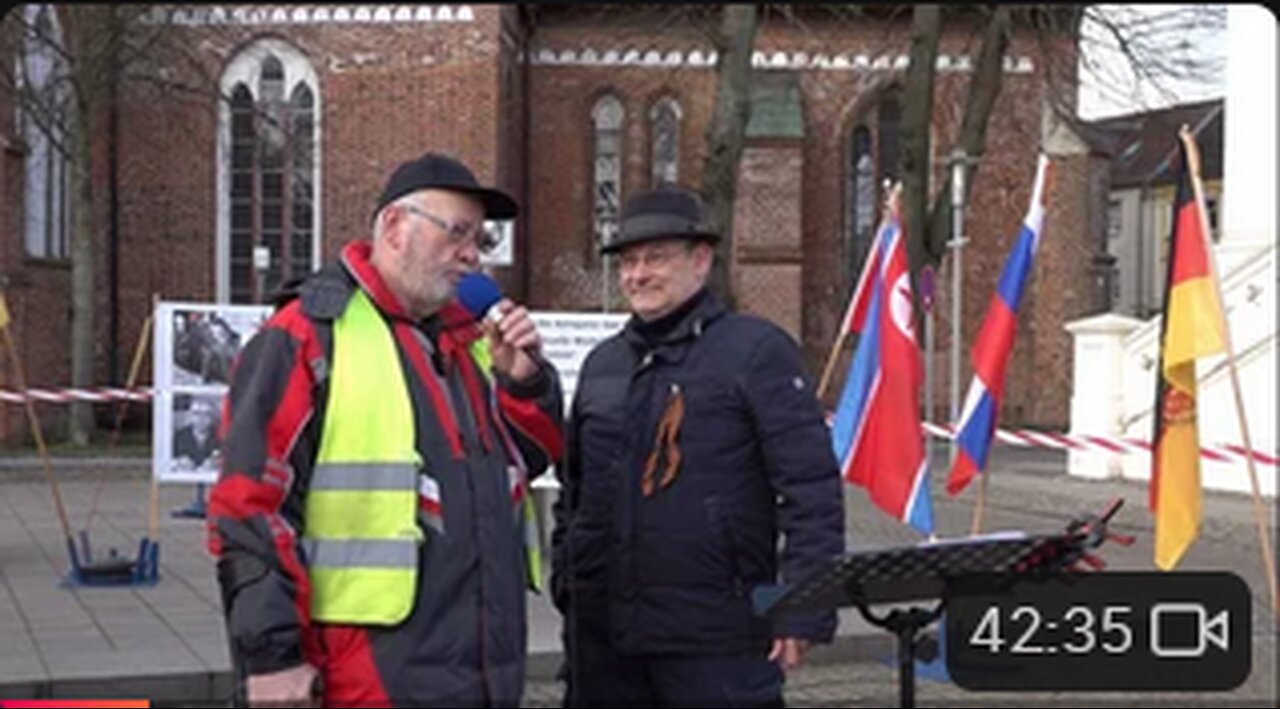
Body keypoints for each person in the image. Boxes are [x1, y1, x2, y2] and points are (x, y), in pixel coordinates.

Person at [208, 152, 564, 708]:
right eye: (458, 233)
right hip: (370, 674)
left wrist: (525, 383)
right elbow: (248, 506)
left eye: (481, 240)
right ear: (395, 227)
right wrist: (271, 658)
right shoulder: (306, 334)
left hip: (485, 665)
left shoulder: (471, 340)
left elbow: (529, 461)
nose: (472, 254)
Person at [551, 185, 846, 707]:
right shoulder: (603, 365)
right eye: (629, 262)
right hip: (604, 640)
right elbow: (572, 490)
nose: (638, 274)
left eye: (656, 258)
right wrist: (567, 577)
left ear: (701, 261)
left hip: (717, 638)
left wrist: (804, 604)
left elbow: (810, 489)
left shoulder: (755, 352)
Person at [173, 395, 219, 471]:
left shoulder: (220, 436)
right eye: (196, 413)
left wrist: (216, 463)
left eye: (206, 414)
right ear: (190, 415)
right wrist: (178, 462)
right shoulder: (178, 436)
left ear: (212, 417)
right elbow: (168, 461)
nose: (201, 418)